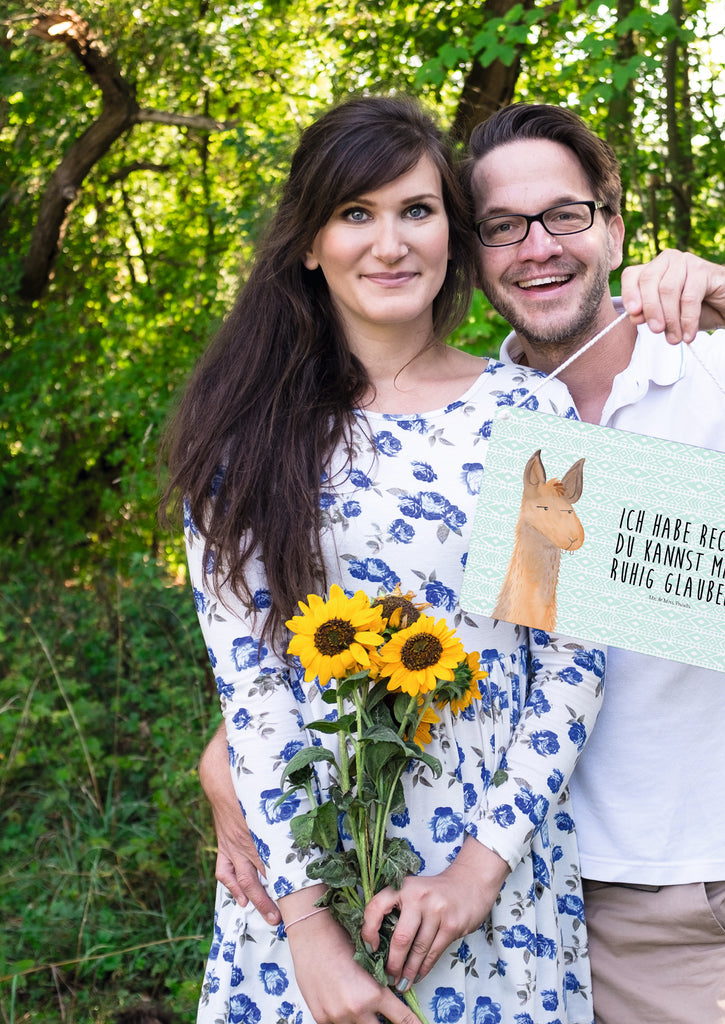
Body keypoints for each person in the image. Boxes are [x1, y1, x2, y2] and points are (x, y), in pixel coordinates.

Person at [202, 102, 725, 1024]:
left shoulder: (706, 374)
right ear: (474, 249)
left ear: (612, 225)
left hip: (652, 887)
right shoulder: (453, 416)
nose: (537, 247)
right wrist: (234, 771)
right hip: (427, 876)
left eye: (565, 215)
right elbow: (333, 636)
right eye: (502, 226)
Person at [163, 96, 607, 1024]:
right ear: (309, 244)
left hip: (492, 888)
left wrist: (478, 874)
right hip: (301, 889)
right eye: (355, 214)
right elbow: (254, 691)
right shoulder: (245, 437)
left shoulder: (531, 416)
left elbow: (571, 664)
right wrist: (311, 937)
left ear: (452, 231)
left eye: (417, 210)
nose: (390, 243)